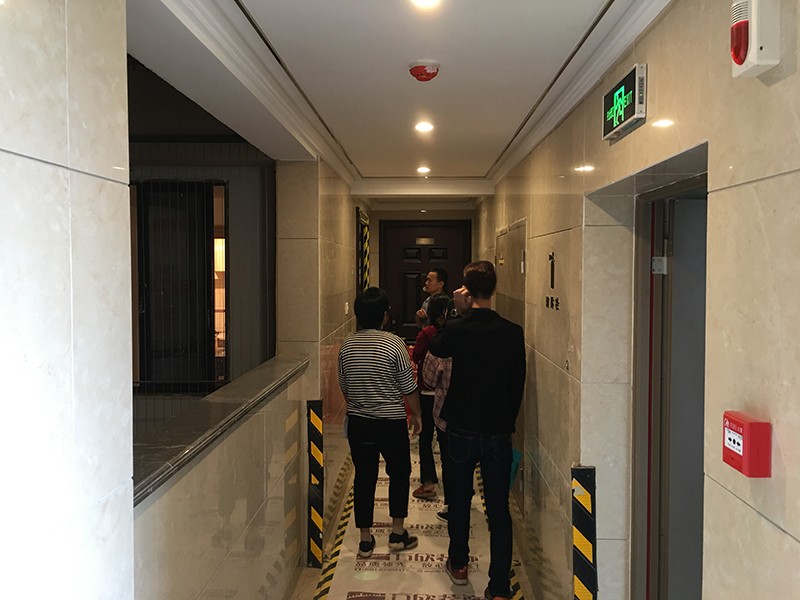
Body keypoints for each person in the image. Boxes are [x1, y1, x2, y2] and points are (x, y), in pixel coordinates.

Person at [428, 261, 526, 600]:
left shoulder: (458, 328)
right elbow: (517, 383)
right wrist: (506, 422)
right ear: (494, 289)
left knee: (458, 500)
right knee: (499, 510)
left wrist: (459, 312)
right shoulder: (512, 331)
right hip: (497, 430)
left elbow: (435, 346)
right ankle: (498, 587)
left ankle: (458, 564)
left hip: (461, 428)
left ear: (466, 292)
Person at [338, 287, 423, 558]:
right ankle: (397, 533)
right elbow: (408, 386)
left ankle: (365, 539)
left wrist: (361, 404)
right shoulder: (394, 344)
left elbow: (344, 386)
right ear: (385, 315)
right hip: (391, 423)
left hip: (359, 423)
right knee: (399, 472)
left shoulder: (347, 345)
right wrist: (417, 414)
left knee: (364, 477)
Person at [410, 292, 451, 501]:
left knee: (425, 438)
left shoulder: (426, 334)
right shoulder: (454, 333)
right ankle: (452, 482)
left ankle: (428, 482)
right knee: (446, 438)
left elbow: (416, 356)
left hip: (427, 392)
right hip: (448, 393)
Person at [421, 297, 457, 523]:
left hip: (446, 412)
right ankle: (464, 496)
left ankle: (453, 505)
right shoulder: (483, 340)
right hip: (476, 414)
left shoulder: (441, 343)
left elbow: (429, 379)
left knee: (449, 459)